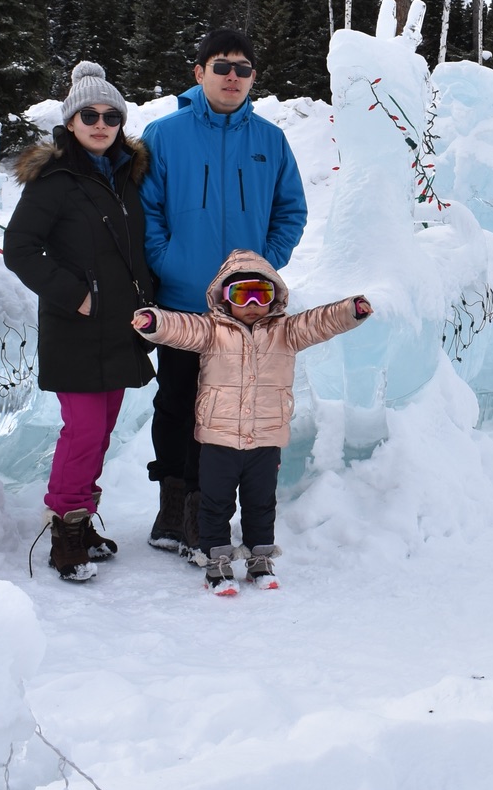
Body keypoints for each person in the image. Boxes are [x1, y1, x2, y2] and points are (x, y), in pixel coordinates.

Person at [139, 28, 309, 554]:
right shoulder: (164, 135)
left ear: (253, 78)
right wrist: (168, 261)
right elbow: (145, 211)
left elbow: (291, 211)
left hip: (245, 313)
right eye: (221, 66)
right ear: (199, 73)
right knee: (175, 405)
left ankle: (200, 514)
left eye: (242, 68)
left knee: (221, 413)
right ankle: (172, 508)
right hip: (183, 303)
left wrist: (262, 264)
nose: (231, 76)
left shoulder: (270, 141)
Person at [133, 249, 370, 593]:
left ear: (275, 296)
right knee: (215, 503)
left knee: (261, 503)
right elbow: (180, 328)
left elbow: (319, 322)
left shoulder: (285, 332)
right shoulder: (212, 331)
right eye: (243, 294)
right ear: (224, 298)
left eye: (263, 293)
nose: (254, 303)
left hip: (265, 439)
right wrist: (155, 323)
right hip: (219, 440)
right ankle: (216, 562)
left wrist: (350, 311)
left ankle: (260, 559)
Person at [2, 61, 156, 582]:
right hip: (77, 327)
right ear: (70, 121)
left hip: (121, 328)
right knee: (84, 430)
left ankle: (81, 519)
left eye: (111, 115)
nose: (100, 122)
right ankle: (65, 533)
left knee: (101, 431)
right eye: (88, 114)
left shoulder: (125, 176)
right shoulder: (56, 178)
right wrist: (75, 294)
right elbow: (20, 248)